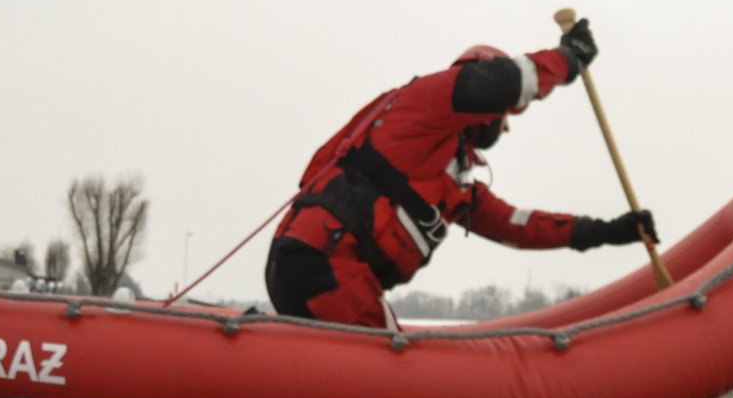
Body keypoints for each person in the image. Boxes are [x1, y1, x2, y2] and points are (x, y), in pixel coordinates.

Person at [264, 19, 657, 328]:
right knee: (396, 379)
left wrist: (607, 231)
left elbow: (516, 225)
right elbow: (505, 83)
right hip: (324, 264)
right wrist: (568, 59)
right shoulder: (424, 104)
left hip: (321, 272)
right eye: (500, 118)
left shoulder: (450, 184)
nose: (503, 128)